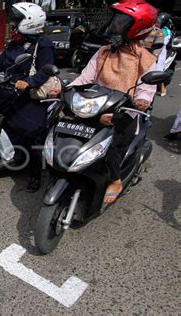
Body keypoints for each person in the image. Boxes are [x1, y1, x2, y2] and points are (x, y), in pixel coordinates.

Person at [70, 0, 158, 204]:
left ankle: (116, 180)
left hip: (124, 111)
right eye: (116, 19)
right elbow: (84, 77)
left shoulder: (146, 59)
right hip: (95, 105)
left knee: (112, 144)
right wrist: (67, 90)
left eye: (122, 21)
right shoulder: (104, 51)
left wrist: (142, 100)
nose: (115, 24)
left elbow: (146, 87)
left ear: (136, 28)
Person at [0, 2, 55, 192]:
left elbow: (45, 71)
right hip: (8, 92)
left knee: (33, 136)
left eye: (18, 20)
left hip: (29, 96)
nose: (14, 24)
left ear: (30, 22)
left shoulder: (44, 44)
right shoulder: (15, 42)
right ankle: (10, 155)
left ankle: (35, 175)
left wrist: (29, 82)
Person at [156, 12, 173, 96]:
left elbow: (163, 43)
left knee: (159, 70)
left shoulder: (165, 31)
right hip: (156, 52)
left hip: (160, 53)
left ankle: (163, 88)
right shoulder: (156, 29)